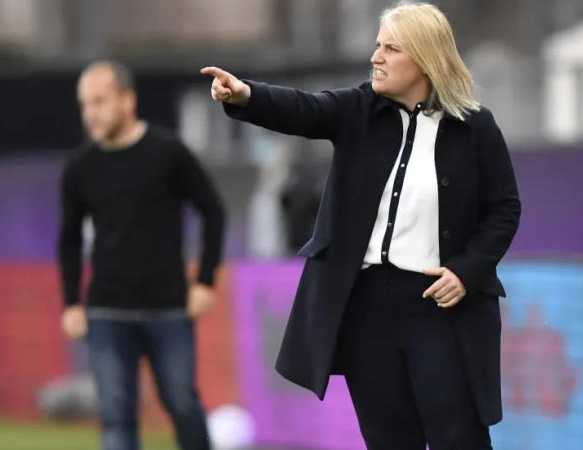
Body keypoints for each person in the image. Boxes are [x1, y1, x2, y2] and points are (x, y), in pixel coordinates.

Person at [202, 3, 520, 449]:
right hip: (367, 307)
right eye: (377, 46)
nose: (377, 57)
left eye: (391, 48)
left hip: (441, 308)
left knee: (459, 436)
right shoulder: (358, 110)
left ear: (426, 59)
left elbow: (504, 209)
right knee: (389, 439)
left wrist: (467, 271)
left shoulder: (476, 127)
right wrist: (245, 95)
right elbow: (304, 109)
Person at [57, 61, 225, 450]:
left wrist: (204, 281)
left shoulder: (168, 153)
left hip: (168, 307)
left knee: (183, 405)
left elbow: (213, 210)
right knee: (116, 413)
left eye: (99, 101)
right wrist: (70, 302)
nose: (90, 113)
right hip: (106, 311)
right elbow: (68, 238)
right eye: (85, 104)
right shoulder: (79, 167)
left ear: (127, 99)